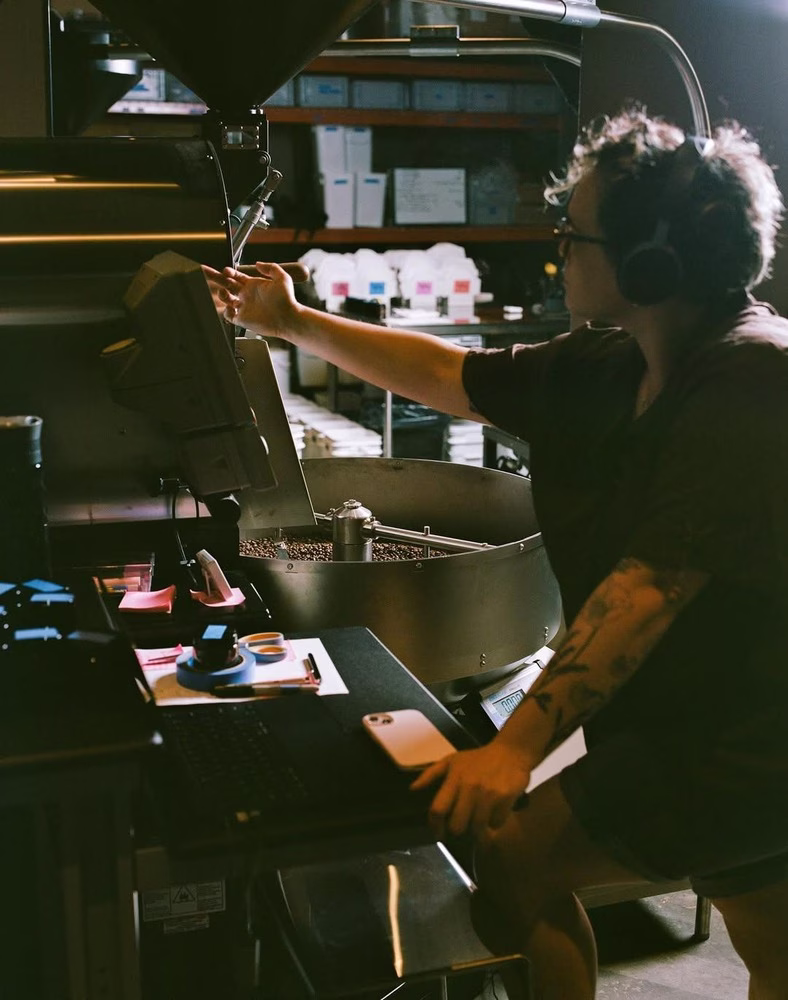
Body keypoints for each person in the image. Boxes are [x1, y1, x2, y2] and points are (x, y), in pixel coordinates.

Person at [204, 106, 788, 1000]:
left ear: (650, 263)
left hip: (746, 737)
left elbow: (650, 586)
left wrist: (513, 748)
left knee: (517, 858)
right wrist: (292, 321)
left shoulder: (753, 377)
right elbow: (446, 376)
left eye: (574, 232)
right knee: (772, 937)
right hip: (686, 720)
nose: (558, 247)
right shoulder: (606, 365)